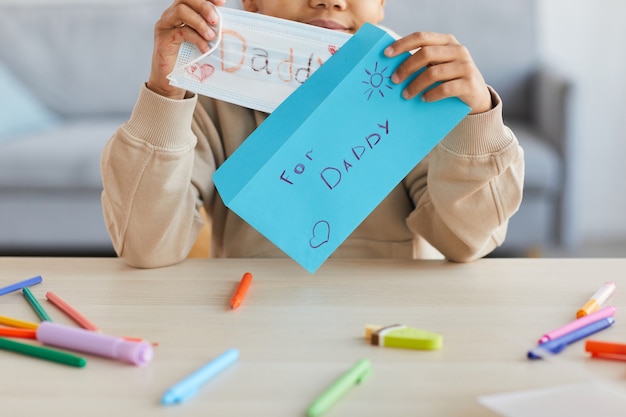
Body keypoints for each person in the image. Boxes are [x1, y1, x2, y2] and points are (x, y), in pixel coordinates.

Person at [100, 0, 524, 268]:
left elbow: (468, 241)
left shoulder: (413, 94)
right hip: (250, 313)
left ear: (380, 5)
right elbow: (145, 247)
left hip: (393, 316)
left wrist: (477, 118)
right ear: (252, 4)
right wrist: (166, 92)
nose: (328, 1)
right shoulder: (212, 96)